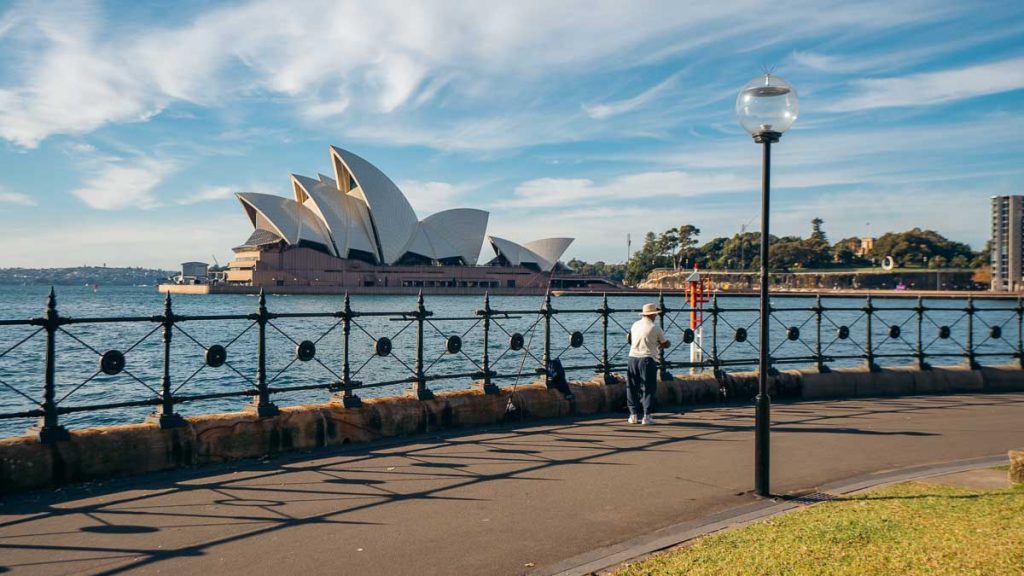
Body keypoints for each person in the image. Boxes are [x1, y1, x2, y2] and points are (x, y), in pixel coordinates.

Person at [627, 303, 669, 425]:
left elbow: (631, 339)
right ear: (653, 315)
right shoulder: (655, 328)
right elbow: (665, 343)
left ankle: (633, 415)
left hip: (632, 358)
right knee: (648, 388)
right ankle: (646, 416)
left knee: (632, 387)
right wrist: (665, 344)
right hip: (647, 359)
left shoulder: (635, 325)